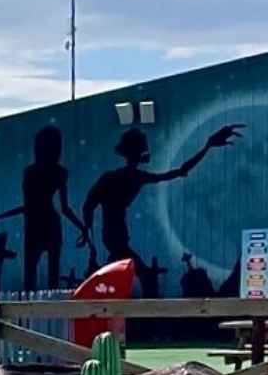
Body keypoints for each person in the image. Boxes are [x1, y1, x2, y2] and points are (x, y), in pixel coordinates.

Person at [81, 123, 242, 295]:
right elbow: (179, 171)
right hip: (115, 238)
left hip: (115, 237)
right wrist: (207, 146)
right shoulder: (127, 177)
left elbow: (89, 205)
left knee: (136, 274)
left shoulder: (126, 177)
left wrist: (87, 233)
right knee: (141, 276)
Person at [0, 128, 90, 290]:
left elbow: (31, 206)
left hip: (36, 225)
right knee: (46, 275)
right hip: (47, 224)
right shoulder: (58, 172)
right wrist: (82, 227)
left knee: (33, 275)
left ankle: (38, 304)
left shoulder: (32, 172)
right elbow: (63, 208)